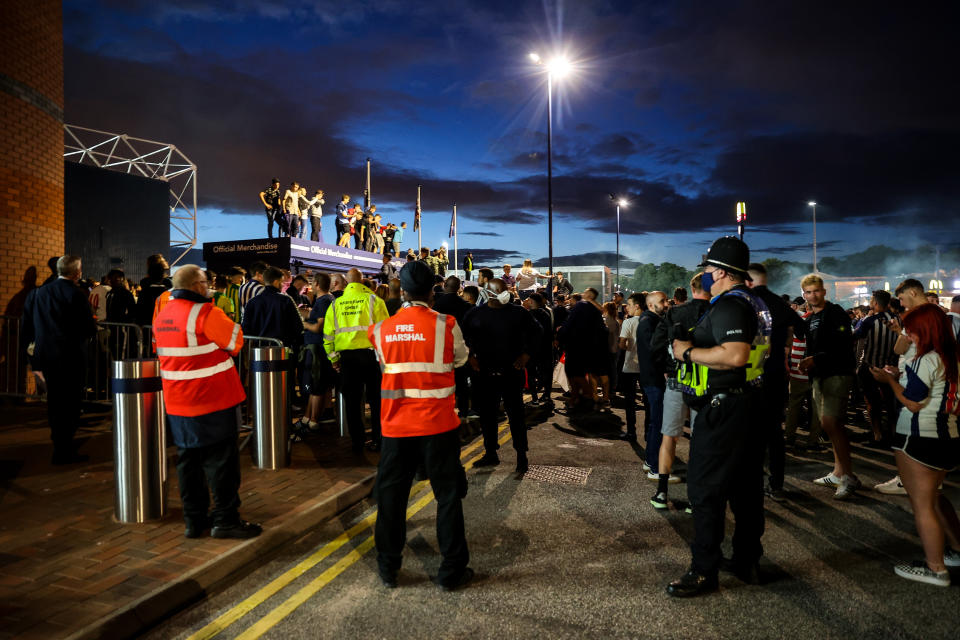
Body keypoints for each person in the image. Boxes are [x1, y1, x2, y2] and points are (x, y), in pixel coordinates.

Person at [666, 236, 771, 597]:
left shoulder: (729, 305)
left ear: (724, 273)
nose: (706, 275)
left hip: (725, 407)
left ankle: (703, 570)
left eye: (709, 270)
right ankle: (747, 560)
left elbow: (735, 355)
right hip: (749, 404)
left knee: (705, 490)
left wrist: (687, 352)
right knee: (745, 487)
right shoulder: (755, 303)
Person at [369, 261, 473, 591]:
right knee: (447, 495)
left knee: (391, 498)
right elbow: (459, 359)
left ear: (401, 290)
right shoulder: (446, 324)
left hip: (396, 426)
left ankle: (388, 565)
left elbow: (385, 364)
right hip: (438, 424)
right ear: (433, 290)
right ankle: (451, 570)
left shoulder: (381, 330)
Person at [154, 265, 261, 540]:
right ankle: (225, 520)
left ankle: (195, 521)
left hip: (178, 402)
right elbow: (236, 342)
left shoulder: (163, 316)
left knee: (188, 463)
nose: (209, 285)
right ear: (196, 285)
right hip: (213, 400)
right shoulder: (206, 313)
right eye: (206, 281)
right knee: (222, 465)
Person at [869, 303, 960, 586]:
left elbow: (913, 402)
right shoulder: (953, 358)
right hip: (950, 436)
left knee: (922, 505)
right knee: (935, 497)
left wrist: (889, 380)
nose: (909, 335)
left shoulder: (927, 359)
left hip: (920, 436)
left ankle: (935, 569)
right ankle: (956, 549)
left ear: (925, 330)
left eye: (911, 330)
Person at [21, 255, 98, 464]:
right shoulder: (76, 294)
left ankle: (59, 444)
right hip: (70, 356)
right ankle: (64, 449)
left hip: (45, 355)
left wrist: (30, 357)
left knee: (55, 402)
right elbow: (88, 329)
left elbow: (26, 326)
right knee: (71, 403)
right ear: (77, 272)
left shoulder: (38, 293)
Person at [462, 278, 541, 472]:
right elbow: (462, 339)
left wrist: (526, 355)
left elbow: (537, 332)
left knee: (516, 416)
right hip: (485, 373)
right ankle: (491, 453)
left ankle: (521, 455)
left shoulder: (519, 313)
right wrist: (470, 356)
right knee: (488, 416)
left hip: (510, 372)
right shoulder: (474, 314)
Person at [649, 273, 711, 509]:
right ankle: (694, 499)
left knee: (669, 436)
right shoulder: (717, 312)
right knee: (699, 440)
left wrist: (667, 368)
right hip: (705, 383)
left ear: (691, 289)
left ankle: (662, 493)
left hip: (677, 379)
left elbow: (656, 346)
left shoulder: (675, 313)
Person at [746, 263, 805, 503]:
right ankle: (776, 484)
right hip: (776, 375)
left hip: (751, 373)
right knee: (774, 432)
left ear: (749, 281)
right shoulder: (781, 303)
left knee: (750, 430)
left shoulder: (747, 303)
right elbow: (801, 330)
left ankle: (752, 480)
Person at [799, 273, 860, 499]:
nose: (813, 295)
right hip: (819, 375)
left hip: (837, 373)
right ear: (803, 295)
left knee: (832, 422)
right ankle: (838, 472)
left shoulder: (835, 314)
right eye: (808, 292)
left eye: (816, 291)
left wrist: (815, 359)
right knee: (829, 425)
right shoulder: (809, 318)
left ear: (824, 292)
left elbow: (843, 346)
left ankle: (848, 477)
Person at [323, 268, 390, 453]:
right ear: (361, 281)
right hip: (371, 357)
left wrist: (334, 359)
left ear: (347, 283)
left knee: (352, 402)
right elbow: (384, 331)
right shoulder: (374, 301)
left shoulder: (336, 304)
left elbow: (328, 335)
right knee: (376, 401)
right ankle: (378, 439)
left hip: (347, 359)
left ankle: (357, 442)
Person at [874, 278, 928, 494]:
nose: (902, 304)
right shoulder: (926, 317)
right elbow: (904, 349)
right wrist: (899, 332)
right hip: (912, 378)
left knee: (909, 435)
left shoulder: (922, 317)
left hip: (916, 385)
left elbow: (900, 349)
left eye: (903, 299)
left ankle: (911, 481)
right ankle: (916, 479)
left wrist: (892, 377)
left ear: (913, 293)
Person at [852, 289, 899, 446]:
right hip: (891, 368)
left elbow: (855, 336)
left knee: (872, 403)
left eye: (872, 301)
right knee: (891, 403)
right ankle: (894, 434)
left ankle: (877, 435)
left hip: (871, 367)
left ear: (876, 303)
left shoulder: (870, 321)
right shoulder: (898, 319)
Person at [635, 291, 669, 477]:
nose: (666, 304)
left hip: (651, 378)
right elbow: (655, 351)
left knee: (656, 422)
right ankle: (656, 467)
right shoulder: (650, 322)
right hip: (655, 379)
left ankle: (650, 461)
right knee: (659, 423)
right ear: (650, 305)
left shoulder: (647, 321)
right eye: (662, 301)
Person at [300, 273, 339, 430]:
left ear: (316, 284)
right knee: (315, 386)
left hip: (318, 349)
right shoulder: (325, 300)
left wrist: (304, 324)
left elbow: (319, 326)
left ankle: (313, 420)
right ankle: (307, 418)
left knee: (316, 386)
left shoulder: (324, 301)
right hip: (318, 348)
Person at [242, 267, 304, 350]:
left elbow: (246, 329)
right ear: (276, 282)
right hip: (281, 350)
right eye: (282, 282)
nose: (283, 285)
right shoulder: (286, 300)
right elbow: (298, 327)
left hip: (258, 351)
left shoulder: (252, 302)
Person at [135, 254, 172, 327]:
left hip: (149, 325)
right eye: (163, 260)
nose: (166, 261)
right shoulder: (168, 285)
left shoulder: (145, 285)